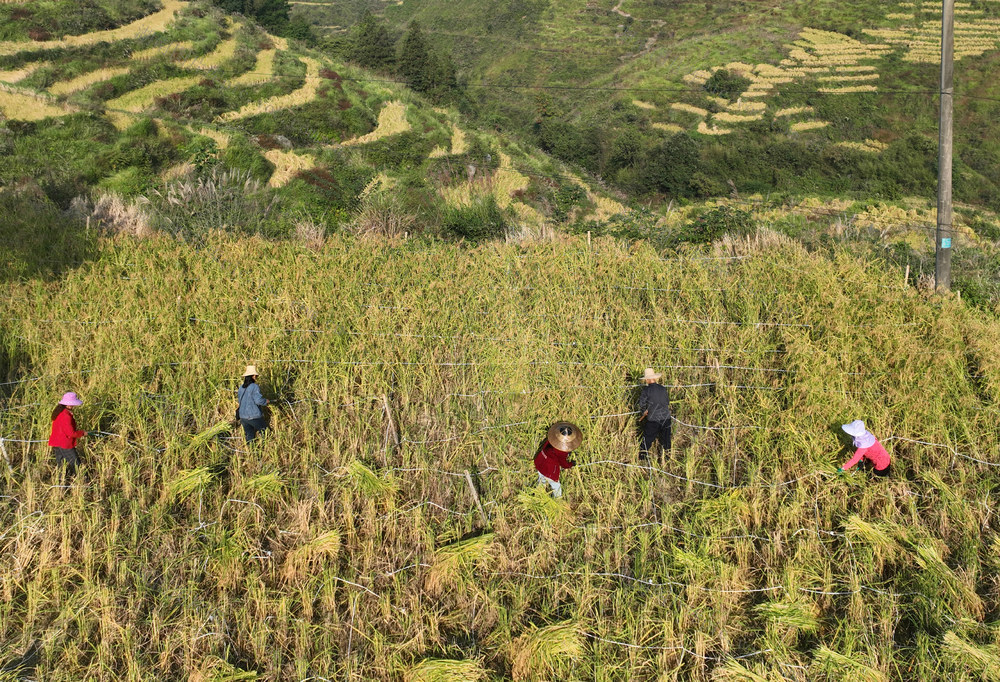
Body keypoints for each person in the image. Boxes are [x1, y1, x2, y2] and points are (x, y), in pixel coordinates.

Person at [534, 422, 581, 499]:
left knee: (541, 479)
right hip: (550, 469)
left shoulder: (552, 439)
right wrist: (571, 464)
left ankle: (537, 494)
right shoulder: (562, 450)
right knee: (556, 486)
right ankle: (558, 499)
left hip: (541, 461)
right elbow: (563, 463)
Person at [48, 392, 87, 476]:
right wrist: (82, 433)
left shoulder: (59, 412)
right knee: (77, 465)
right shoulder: (66, 416)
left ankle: (60, 484)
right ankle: (83, 482)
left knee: (61, 466)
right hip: (64, 443)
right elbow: (71, 433)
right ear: (69, 405)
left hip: (57, 443)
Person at [638, 367, 670, 462]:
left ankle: (642, 458)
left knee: (647, 439)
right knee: (666, 440)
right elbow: (667, 402)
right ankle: (667, 459)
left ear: (647, 379)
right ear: (655, 378)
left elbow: (642, 404)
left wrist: (644, 411)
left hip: (653, 419)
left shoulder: (646, 390)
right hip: (666, 418)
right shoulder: (663, 389)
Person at [237, 365, 269, 444]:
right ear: (253, 376)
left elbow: (239, 400)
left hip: (243, 417)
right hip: (253, 416)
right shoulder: (254, 387)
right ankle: (264, 450)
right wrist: (266, 401)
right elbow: (258, 400)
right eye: (256, 376)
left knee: (249, 436)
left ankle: (251, 452)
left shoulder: (241, 387)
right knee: (265, 432)